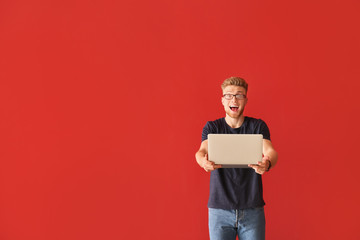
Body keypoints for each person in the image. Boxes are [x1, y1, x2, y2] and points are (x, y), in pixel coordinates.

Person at [195, 77, 278, 240]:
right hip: (219, 211)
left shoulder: (257, 126)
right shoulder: (212, 127)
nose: (234, 99)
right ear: (222, 100)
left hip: (252, 210)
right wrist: (203, 161)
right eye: (228, 95)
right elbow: (200, 151)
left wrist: (267, 163)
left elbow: (271, 151)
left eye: (239, 95)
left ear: (246, 100)